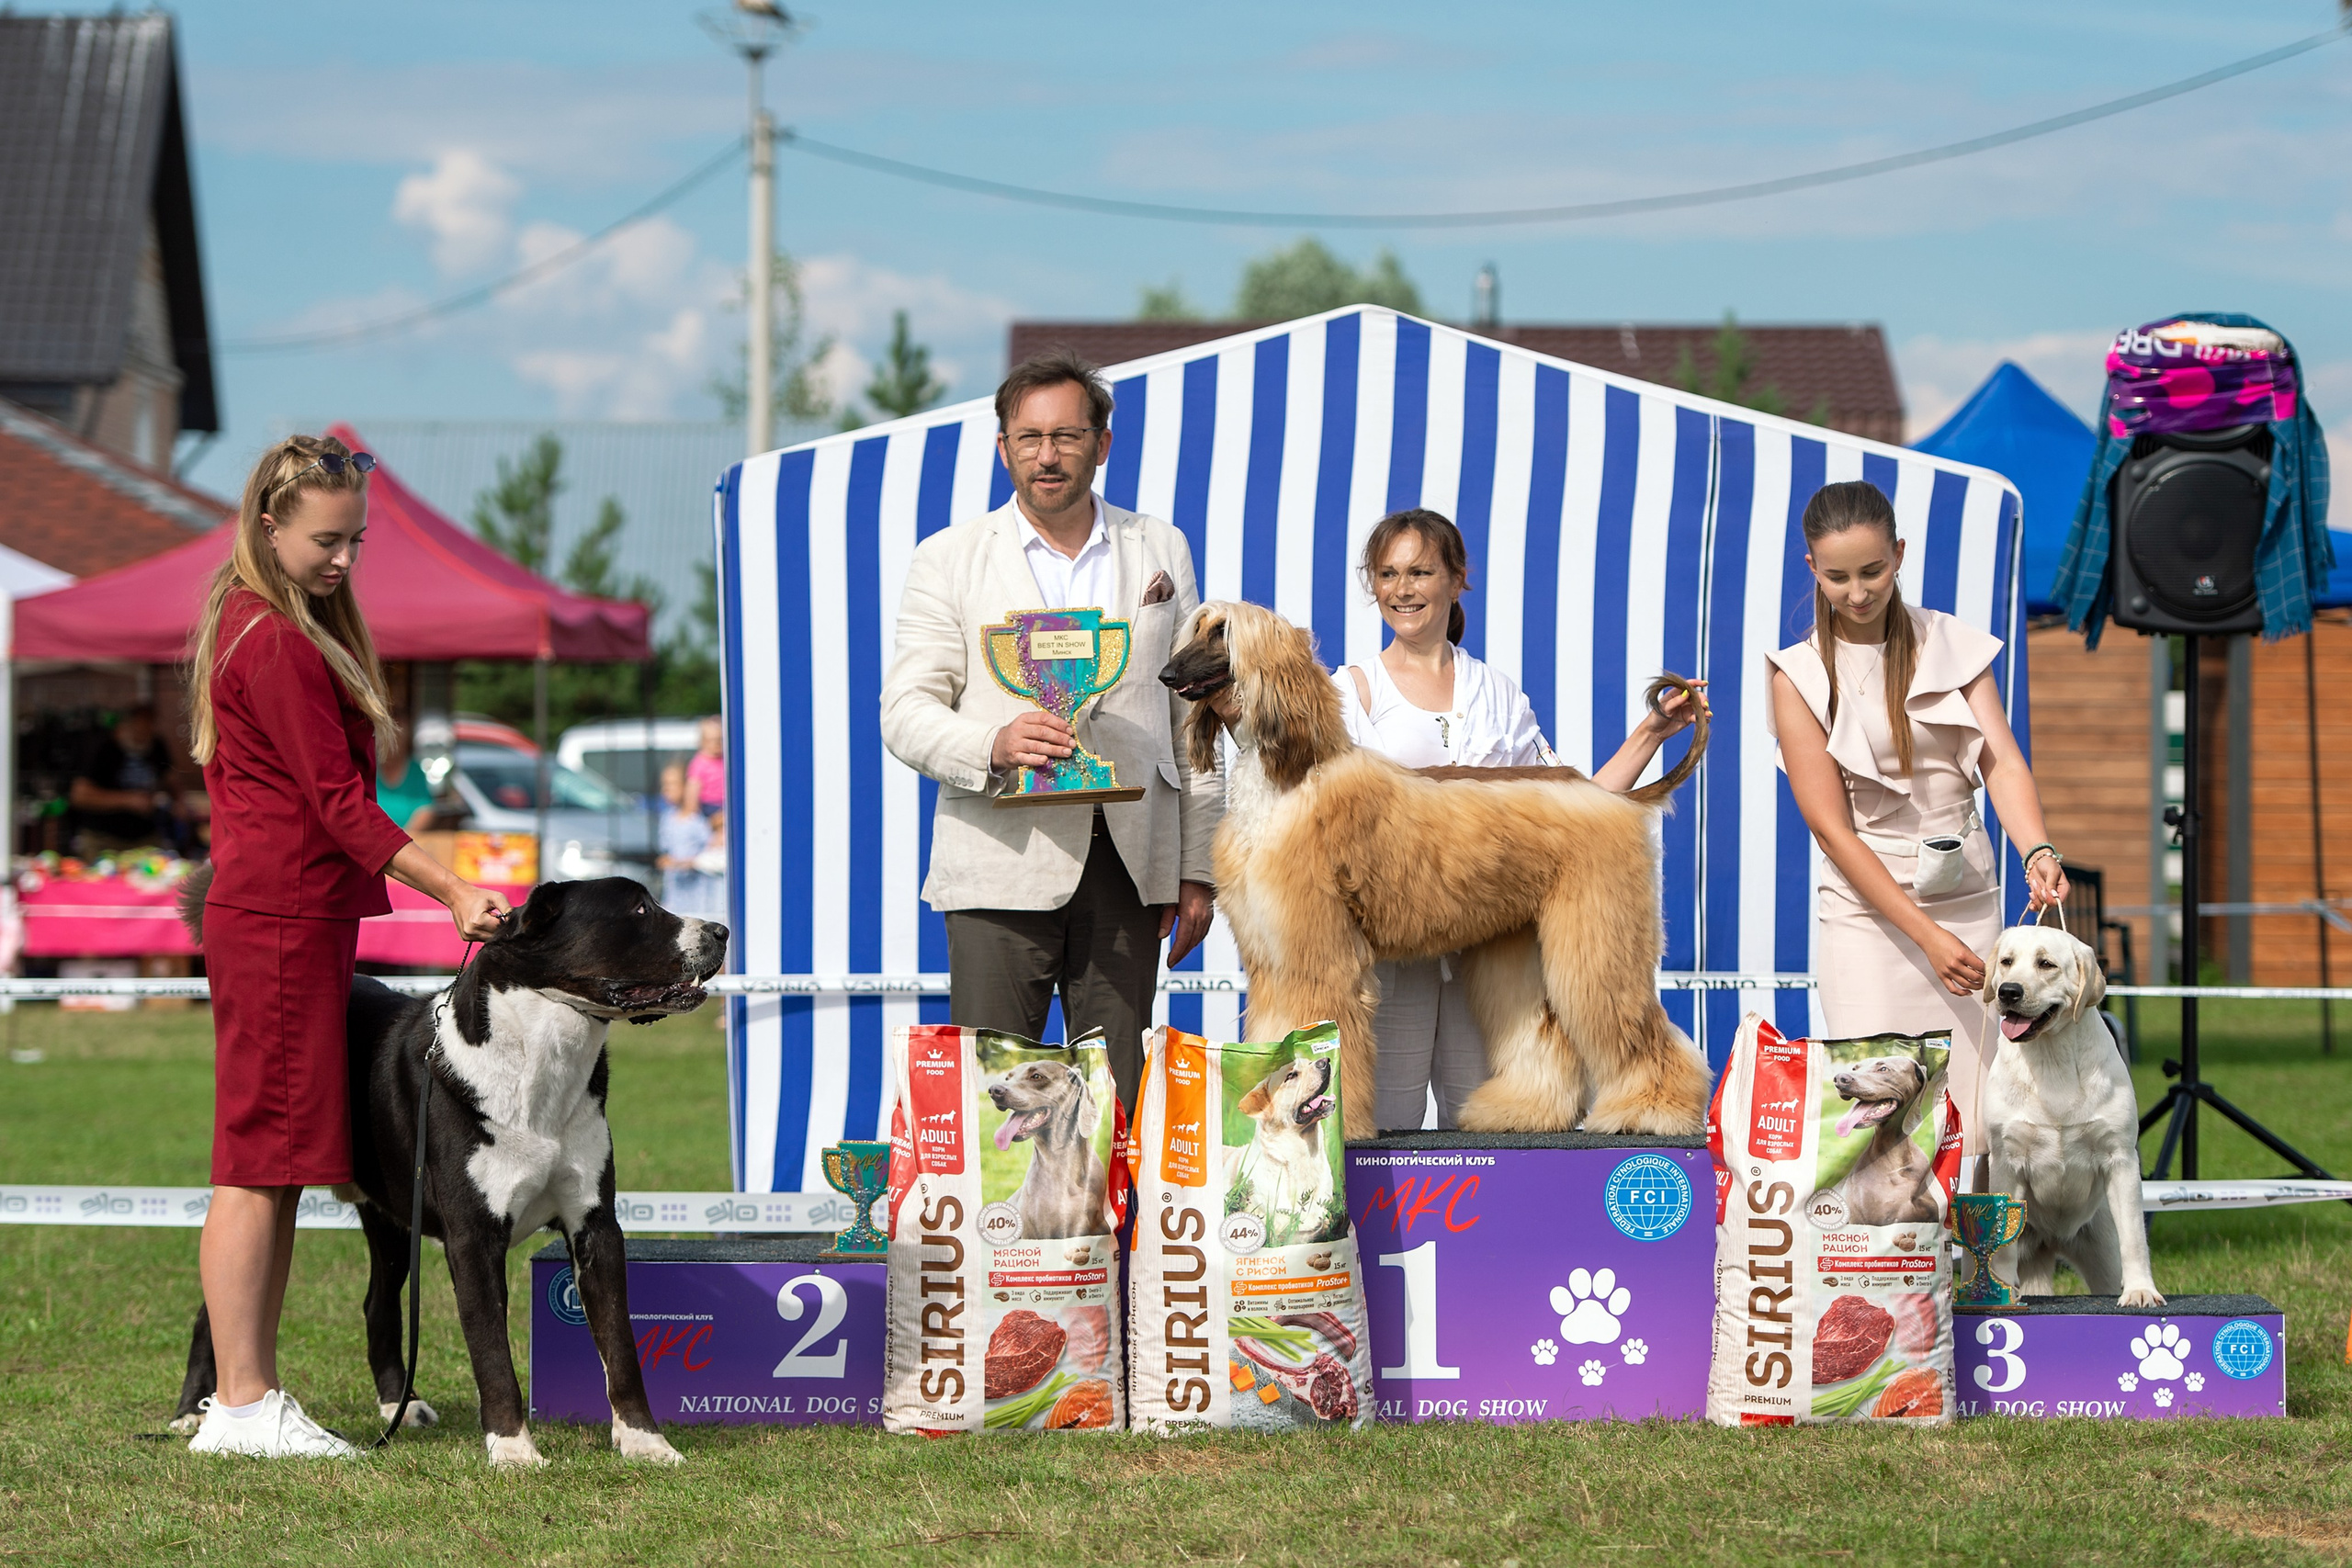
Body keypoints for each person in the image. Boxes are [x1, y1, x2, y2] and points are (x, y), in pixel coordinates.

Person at [182, 434, 511, 1460]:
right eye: (327, 540)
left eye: (355, 539)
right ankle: (241, 1404)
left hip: (285, 919)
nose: (344, 560)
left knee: (273, 1163)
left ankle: (245, 1396)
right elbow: (337, 804)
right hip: (280, 921)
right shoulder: (274, 640)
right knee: (256, 1165)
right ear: (267, 525)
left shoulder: (256, 623)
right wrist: (453, 887)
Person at [880, 350, 1221, 1108]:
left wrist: (1199, 868)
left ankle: (1117, 1232)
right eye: (1029, 437)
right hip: (999, 860)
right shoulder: (947, 559)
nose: (1047, 455)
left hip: (1132, 863)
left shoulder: (1162, 548)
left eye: (1067, 435)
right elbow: (903, 712)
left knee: (1120, 1100)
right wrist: (990, 746)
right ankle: (1000, 1234)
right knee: (993, 1096)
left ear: (1103, 442)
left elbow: (1192, 717)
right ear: (1002, 447)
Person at [1333, 508, 1703, 1131]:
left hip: (1494, 949)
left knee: (1496, 1131)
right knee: (1381, 1125)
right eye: (1389, 573)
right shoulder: (1350, 693)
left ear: (1457, 579)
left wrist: (1651, 734)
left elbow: (1569, 813)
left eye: (1420, 571)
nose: (1402, 588)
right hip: (1392, 954)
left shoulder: (1498, 694)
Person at [1767, 479, 2066, 1160]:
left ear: (1899, 554)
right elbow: (1832, 830)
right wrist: (1927, 937)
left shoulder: (1952, 644)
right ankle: (1890, 1264)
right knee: (1883, 1106)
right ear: (1811, 568)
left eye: (1873, 570)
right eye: (1838, 576)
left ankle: (1982, 1263)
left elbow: (2002, 763)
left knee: (1982, 1105)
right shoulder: (1797, 675)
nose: (1858, 591)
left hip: (1966, 894)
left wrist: (2037, 848)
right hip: (1868, 914)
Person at [68, 705, 185, 856]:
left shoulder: (156, 745)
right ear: (125, 726)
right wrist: (128, 800)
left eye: (148, 729)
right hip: (103, 839)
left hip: (145, 838)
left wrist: (179, 801)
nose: (144, 735)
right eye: (139, 730)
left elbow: (171, 778)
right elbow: (79, 796)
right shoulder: (102, 747)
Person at [656, 761, 722, 919]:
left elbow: (711, 854)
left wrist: (685, 863)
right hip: (675, 895)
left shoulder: (700, 821)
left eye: (672, 784)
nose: (666, 790)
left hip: (699, 898)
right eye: (664, 785)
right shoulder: (667, 819)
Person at [686, 716, 727, 820]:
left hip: (725, 803)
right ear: (702, 742)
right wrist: (692, 810)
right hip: (709, 806)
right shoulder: (699, 763)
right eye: (712, 740)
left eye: (720, 740)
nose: (717, 744)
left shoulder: (725, 760)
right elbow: (693, 788)